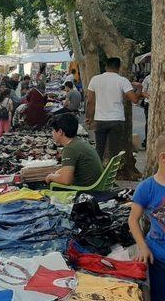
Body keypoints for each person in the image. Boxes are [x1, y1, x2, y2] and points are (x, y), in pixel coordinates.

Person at [128, 134, 165, 300]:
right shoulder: (146, 188)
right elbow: (133, 219)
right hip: (158, 259)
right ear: (163, 157)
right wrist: (142, 247)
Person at [86, 57, 143, 160]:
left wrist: (89, 117)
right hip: (117, 120)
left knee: (99, 149)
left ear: (106, 66)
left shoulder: (95, 79)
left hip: (100, 120)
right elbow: (134, 100)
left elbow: (90, 101)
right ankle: (113, 173)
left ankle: (98, 173)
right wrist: (139, 88)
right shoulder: (122, 80)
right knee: (114, 151)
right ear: (119, 67)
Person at [44, 113, 103, 187]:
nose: (52, 133)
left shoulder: (70, 149)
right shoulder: (79, 142)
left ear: (60, 132)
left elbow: (66, 180)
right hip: (95, 185)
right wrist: (57, 172)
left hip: (87, 190)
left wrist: (50, 177)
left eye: (53, 130)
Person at [142, 73, 151, 148]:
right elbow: (143, 92)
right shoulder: (148, 78)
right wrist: (151, 97)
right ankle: (147, 140)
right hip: (149, 103)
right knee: (148, 122)